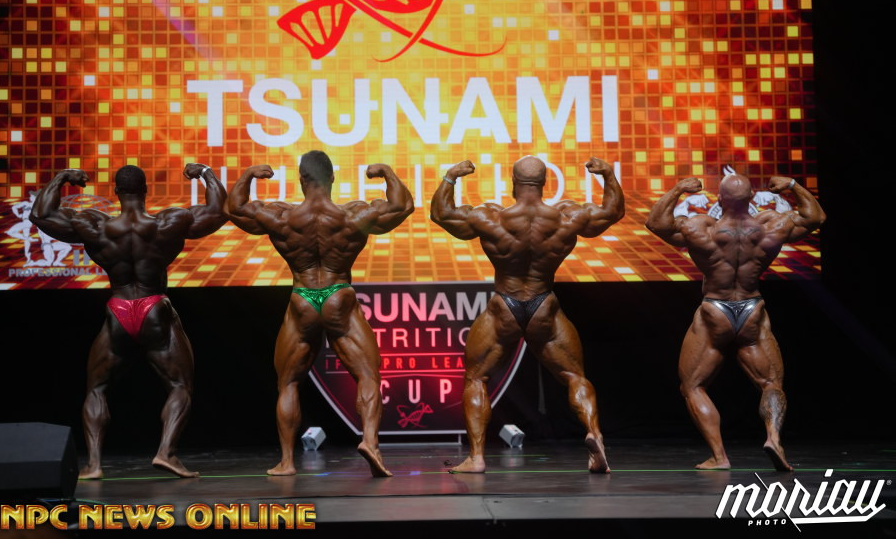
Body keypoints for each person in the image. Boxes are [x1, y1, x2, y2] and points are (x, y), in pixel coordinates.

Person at [30, 164, 227, 478]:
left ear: (117, 192)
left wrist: (62, 177)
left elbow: (41, 215)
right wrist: (205, 173)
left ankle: (94, 464)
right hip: (154, 306)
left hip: (118, 308)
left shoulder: (94, 224)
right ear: (145, 190)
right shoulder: (168, 222)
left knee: (97, 388)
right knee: (179, 385)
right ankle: (166, 452)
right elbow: (218, 211)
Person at [430, 156, 624, 473]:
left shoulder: (491, 216)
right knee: (575, 376)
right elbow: (612, 211)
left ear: (513, 182)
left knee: (477, 377)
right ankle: (594, 434)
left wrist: (451, 176)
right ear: (545, 182)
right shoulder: (567, 216)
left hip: (504, 306)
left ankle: (477, 458)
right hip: (543, 303)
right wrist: (608, 175)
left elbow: (441, 214)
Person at [227, 151, 414, 477]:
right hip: (337, 294)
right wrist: (386, 171)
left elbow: (233, 208)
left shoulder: (282, 217)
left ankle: (287, 462)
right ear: (332, 178)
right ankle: (370, 442)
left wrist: (249, 175)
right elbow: (403, 206)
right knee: (367, 375)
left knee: (288, 382)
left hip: (302, 298)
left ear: (301, 179)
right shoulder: (352, 215)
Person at [646, 173, 825, 471]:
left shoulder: (701, 227)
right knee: (770, 383)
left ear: (719, 199)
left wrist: (678, 189)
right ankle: (774, 438)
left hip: (715, 310)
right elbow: (816, 217)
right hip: (752, 308)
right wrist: (793, 186)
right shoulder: (771, 225)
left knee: (693, 386)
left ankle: (719, 457)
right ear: (753, 198)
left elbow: (656, 223)